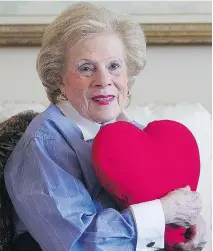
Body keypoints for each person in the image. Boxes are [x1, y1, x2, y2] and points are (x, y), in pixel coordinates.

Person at [4, 2, 206, 251]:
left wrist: (188, 223)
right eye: (86, 68)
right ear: (59, 79)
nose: (103, 80)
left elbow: (172, 201)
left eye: (114, 66)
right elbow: (78, 242)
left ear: (128, 74)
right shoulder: (43, 144)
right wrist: (162, 213)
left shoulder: (142, 136)